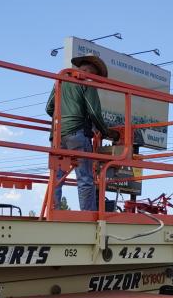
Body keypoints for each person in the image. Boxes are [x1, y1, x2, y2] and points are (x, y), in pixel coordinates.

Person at [45, 55, 119, 211]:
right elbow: (94, 112)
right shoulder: (86, 84)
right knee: (85, 177)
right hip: (77, 133)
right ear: (90, 73)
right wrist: (105, 131)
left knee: (56, 176)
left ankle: (54, 210)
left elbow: (49, 108)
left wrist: (62, 120)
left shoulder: (60, 82)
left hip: (57, 135)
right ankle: (87, 214)